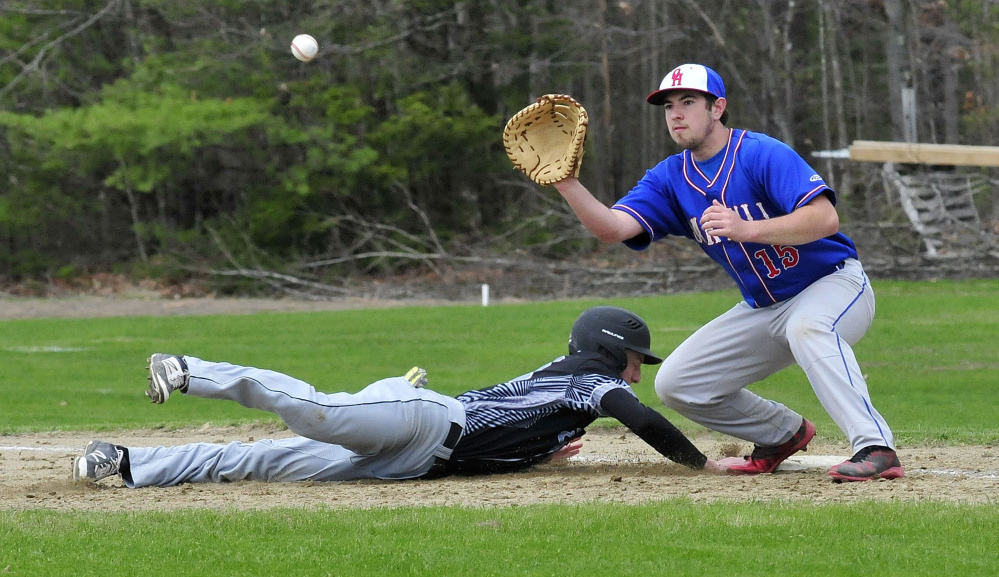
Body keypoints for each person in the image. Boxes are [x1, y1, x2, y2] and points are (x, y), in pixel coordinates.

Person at [550, 64, 904, 482]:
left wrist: (748, 229)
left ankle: (875, 446)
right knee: (678, 382)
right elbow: (613, 229)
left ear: (718, 107)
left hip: (834, 284)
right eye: (668, 106)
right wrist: (566, 182)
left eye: (688, 102)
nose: (676, 113)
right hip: (764, 307)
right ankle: (780, 434)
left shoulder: (759, 153)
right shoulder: (669, 178)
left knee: (810, 327)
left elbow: (825, 218)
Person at [73, 306, 729, 487]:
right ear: (610, 348)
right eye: (636, 359)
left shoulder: (574, 385)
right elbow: (640, 417)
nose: (638, 373)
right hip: (423, 419)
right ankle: (188, 367)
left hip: (415, 461)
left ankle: (123, 462)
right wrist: (700, 464)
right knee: (315, 408)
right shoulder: (591, 377)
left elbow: (521, 423)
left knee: (262, 461)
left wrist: (533, 452)